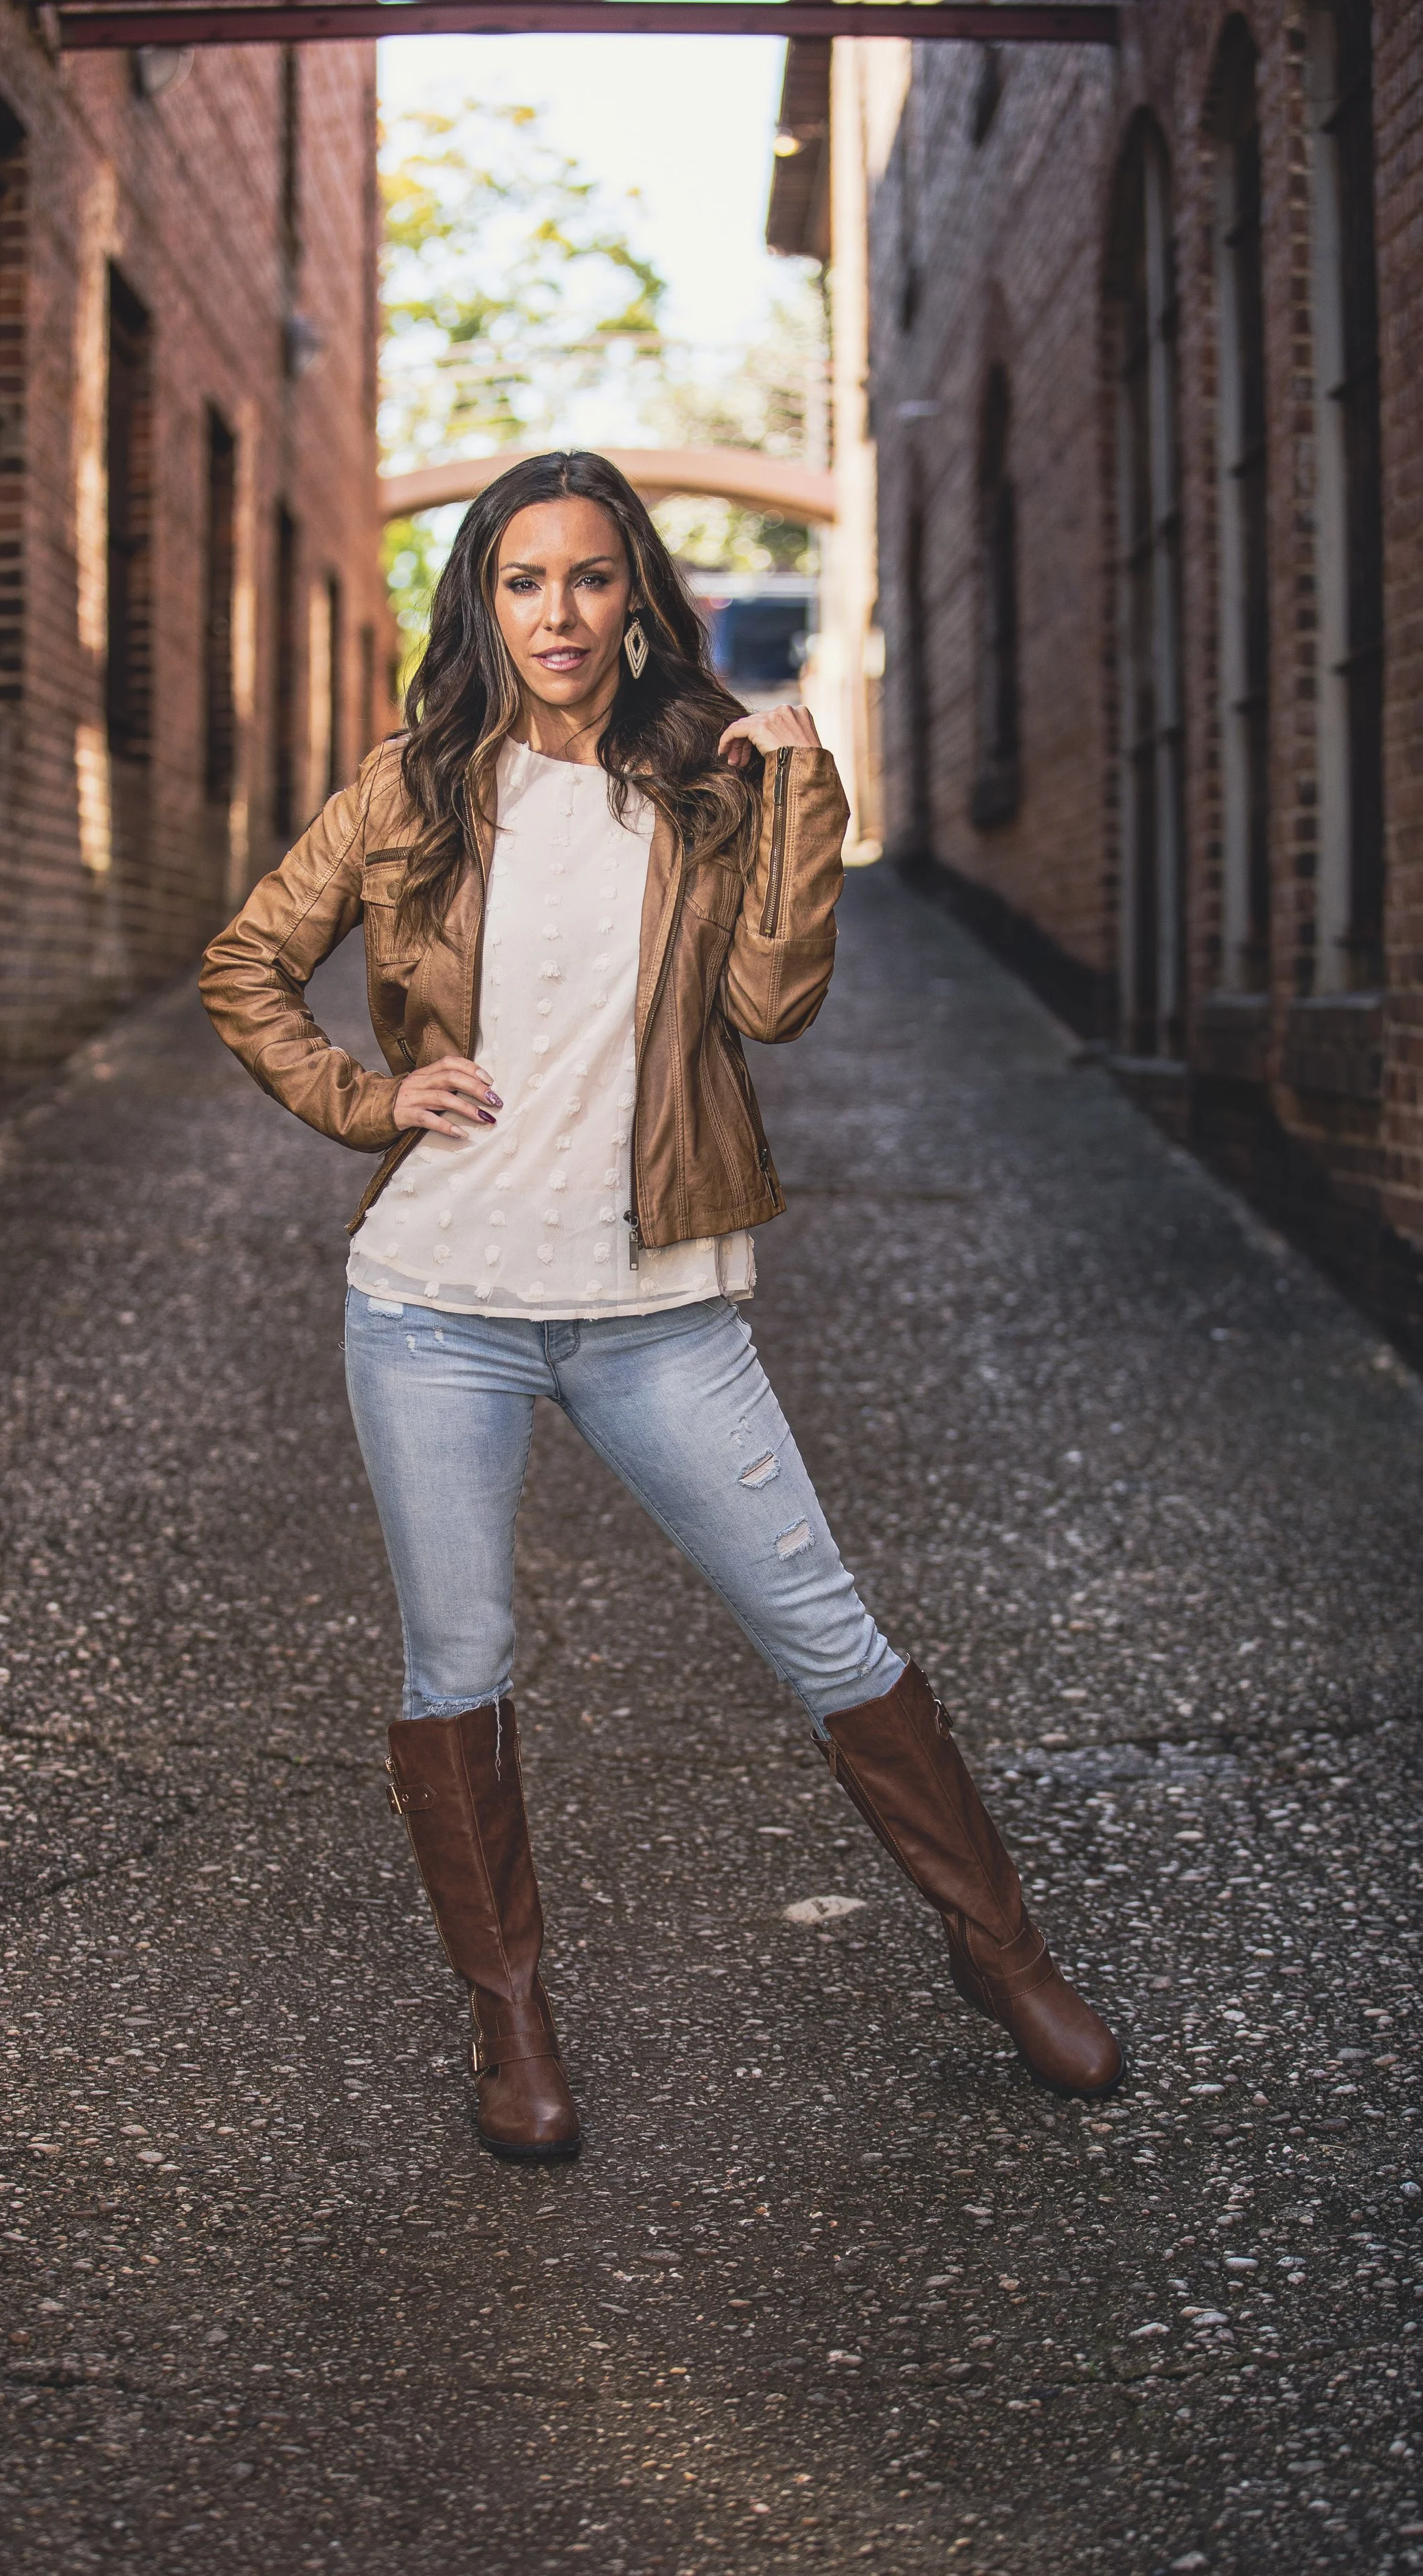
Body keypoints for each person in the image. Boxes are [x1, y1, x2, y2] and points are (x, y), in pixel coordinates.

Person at [200, 451, 1122, 2162]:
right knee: (455, 1662)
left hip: (655, 1307)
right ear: (483, 600)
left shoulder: (708, 783)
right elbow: (245, 964)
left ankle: (1003, 1960)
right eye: (522, 581)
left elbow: (771, 1006)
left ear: (638, 596)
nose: (557, 615)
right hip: (433, 1306)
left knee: (826, 1633)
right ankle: (514, 2037)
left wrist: (798, 794)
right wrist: (359, 1097)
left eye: (590, 578)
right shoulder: (407, 791)